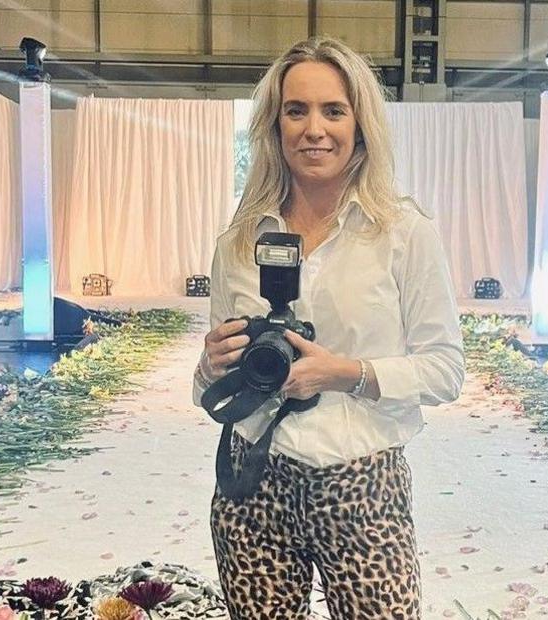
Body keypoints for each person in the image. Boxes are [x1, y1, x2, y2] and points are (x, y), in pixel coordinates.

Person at [192, 36, 464, 618]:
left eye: (333, 110)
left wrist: (345, 374)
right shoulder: (239, 242)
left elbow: (445, 370)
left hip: (363, 479)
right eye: (297, 110)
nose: (314, 129)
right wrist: (212, 365)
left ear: (360, 124)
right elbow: (206, 388)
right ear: (274, 125)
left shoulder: (403, 233)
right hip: (253, 480)